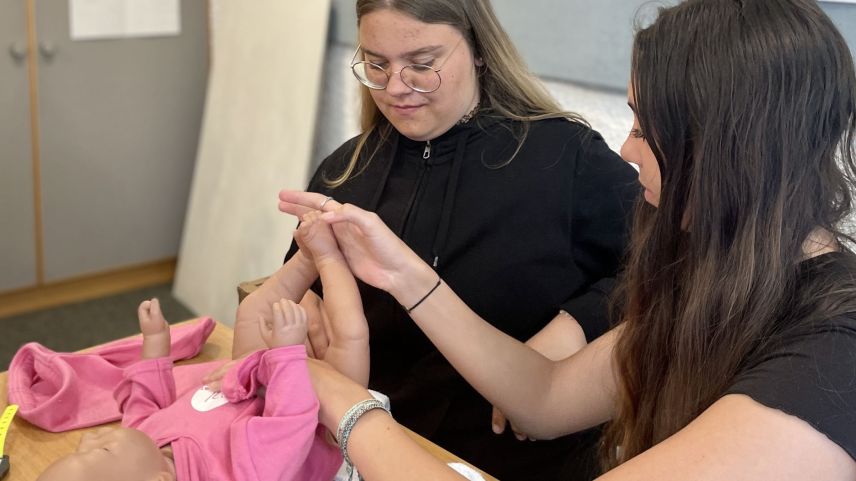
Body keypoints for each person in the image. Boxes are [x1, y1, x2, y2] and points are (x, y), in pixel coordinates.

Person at [277, 0, 856, 479]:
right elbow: (547, 397)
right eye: (377, 65)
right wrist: (407, 276)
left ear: (736, 149)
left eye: (645, 128)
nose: (628, 151)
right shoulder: (714, 281)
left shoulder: (834, 350)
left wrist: (349, 407)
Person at [240, 1, 639, 479]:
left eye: (422, 65)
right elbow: (300, 287)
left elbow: (666, 270)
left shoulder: (566, 159)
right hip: (370, 453)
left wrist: (572, 329)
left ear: (477, 50)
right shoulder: (347, 171)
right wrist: (302, 308)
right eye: (376, 64)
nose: (394, 88)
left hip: (515, 459)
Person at [37, 217, 368, 481]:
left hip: (249, 379)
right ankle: (330, 256)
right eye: (102, 450)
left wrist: (155, 345)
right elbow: (288, 425)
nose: (90, 438)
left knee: (252, 310)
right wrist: (286, 354)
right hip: (308, 420)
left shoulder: (145, 444)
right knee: (348, 338)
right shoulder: (242, 473)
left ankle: (307, 257)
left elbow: (143, 401)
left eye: (77, 449)